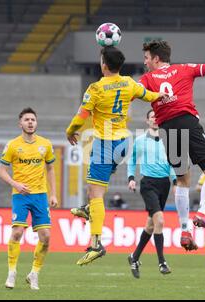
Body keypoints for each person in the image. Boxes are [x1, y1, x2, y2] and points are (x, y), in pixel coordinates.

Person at [66, 46, 166, 266]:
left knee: (96, 193)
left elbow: (80, 117)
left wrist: (70, 131)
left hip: (106, 143)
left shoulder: (95, 88)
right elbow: (148, 95)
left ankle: (96, 244)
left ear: (103, 64)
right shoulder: (129, 82)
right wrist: (162, 94)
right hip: (124, 142)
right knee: (95, 188)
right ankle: (88, 208)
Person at [138, 39, 205, 250]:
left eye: (147, 58)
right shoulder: (185, 69)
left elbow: (133, 92)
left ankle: (185, 231)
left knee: (182, 180)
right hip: (187, 121)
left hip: (166, 128)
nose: (145, 62)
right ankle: (203, 212)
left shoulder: (147, 78)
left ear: (156, 59)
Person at [0, 107, 58, 290]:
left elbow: (50, 169)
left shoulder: (45, 144)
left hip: (40, 195)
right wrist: (15, 184)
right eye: (27, 120)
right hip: (20, 195)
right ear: (20, 123)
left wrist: (53, 193)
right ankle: (12, 273)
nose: (30, 122)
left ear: (36, 123)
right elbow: (1, 171)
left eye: (33, 119)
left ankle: (34, 274)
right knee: (17, 233)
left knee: (46, 237)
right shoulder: (13, 145)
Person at [127, 109, 177, 278]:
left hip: (165, 184)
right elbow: (132, 159)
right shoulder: (140, 140)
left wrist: (175, 181)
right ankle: (162, 262)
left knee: (150, 225)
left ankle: (134, 257)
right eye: (152, 117)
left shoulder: (167, 141)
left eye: (157, 117)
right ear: (147, 121)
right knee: (160, 221)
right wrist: (131, 178)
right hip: (148, 184)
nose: (155, 119)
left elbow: (172, 163)